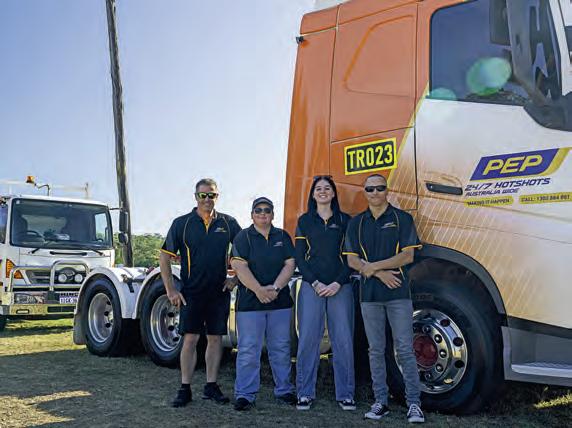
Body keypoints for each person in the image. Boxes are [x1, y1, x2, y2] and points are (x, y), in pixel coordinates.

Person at [343, 173, 425, 424]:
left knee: (404, 349)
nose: (375, 193)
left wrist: (373, 267)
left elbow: (408, 256)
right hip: (369, 296)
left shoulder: (402, 219)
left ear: (387, 190)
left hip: (398, 293)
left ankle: (414, 404)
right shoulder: (356, 223)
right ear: (364, 192)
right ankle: (381, 402)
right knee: (375, 350)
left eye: (380, 188)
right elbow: (352, 260)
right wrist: (379, 274)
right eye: (370, 189)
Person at [159, 178, 241, 408]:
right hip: (191, 292)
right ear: (195, 197)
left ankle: (211, 386)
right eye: (203, 195)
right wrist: (171, 290)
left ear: (217, 196)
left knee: (215, 339)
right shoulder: (182, 224)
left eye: (211, 195)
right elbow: (164, 257)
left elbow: (246, 251)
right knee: (190, 339)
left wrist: (235, 280)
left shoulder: (228, 223)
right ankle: (185, 388)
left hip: (218, 291)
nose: (207, 199)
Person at [294, 175, 355, 411]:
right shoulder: (304, 221)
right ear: (312, 194)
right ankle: (304, 393)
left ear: (333, 193)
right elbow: (300, 257)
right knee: (309, 339)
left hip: (341, 287)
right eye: (318, 188)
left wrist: (338, 282)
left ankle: (346, 394)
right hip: (313, 287)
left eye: (327, 188)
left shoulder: (345, 220)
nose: (322, 191)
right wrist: (315, 283)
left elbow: (351, 257)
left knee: (343, 340)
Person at [230, 197, 297, 411]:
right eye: (258, 210)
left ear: (273, 214)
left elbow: (290, 264)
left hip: (280, 302)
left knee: (281, 348)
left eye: (267, 210)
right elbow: (239, 267)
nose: (262, 213)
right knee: (249, 349)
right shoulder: (243, 237)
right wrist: (259, 290)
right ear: (252, 214)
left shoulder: (282, 236)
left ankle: (284, 390)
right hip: (251, 303)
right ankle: (245, 394)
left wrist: (275, 288)